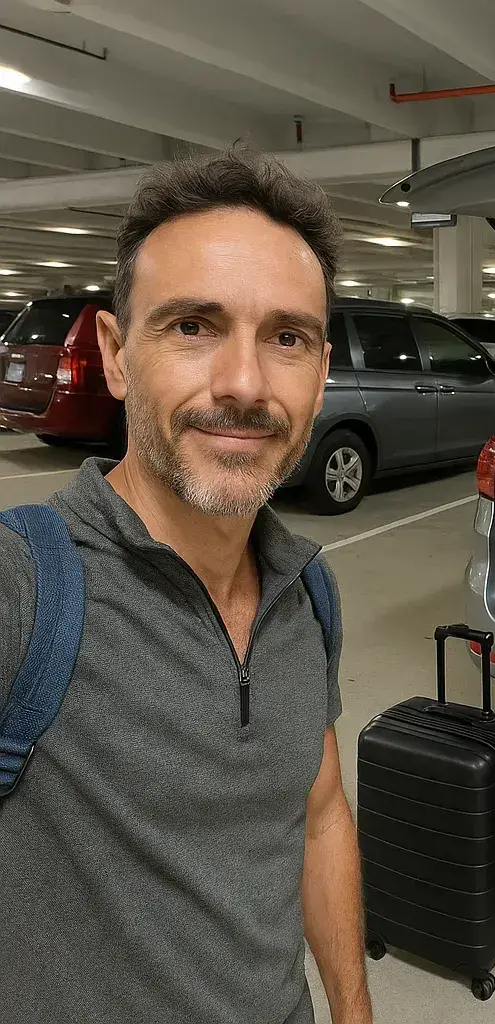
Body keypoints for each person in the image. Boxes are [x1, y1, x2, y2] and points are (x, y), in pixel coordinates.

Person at [0, 150, 372, 1023]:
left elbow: (319, 819)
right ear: (118, 355)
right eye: (193, 326)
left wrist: (354, 1013)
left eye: (286, 337)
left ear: (319, 377)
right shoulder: (25, 587)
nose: (244, 384)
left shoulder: (307, 592)